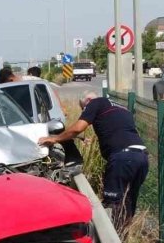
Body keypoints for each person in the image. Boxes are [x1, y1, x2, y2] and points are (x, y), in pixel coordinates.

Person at [38, 92, 148, 232]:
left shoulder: (95, 102)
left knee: (112, 204)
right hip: (141, 157)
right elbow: (114, 129)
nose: (85, 112)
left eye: (84, 108)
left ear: (88, 100)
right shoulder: (121, 108)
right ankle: (123, 239)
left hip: (122, 158)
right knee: (128, 203)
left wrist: (55, 139)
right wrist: (82, 138)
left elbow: (78, 127)